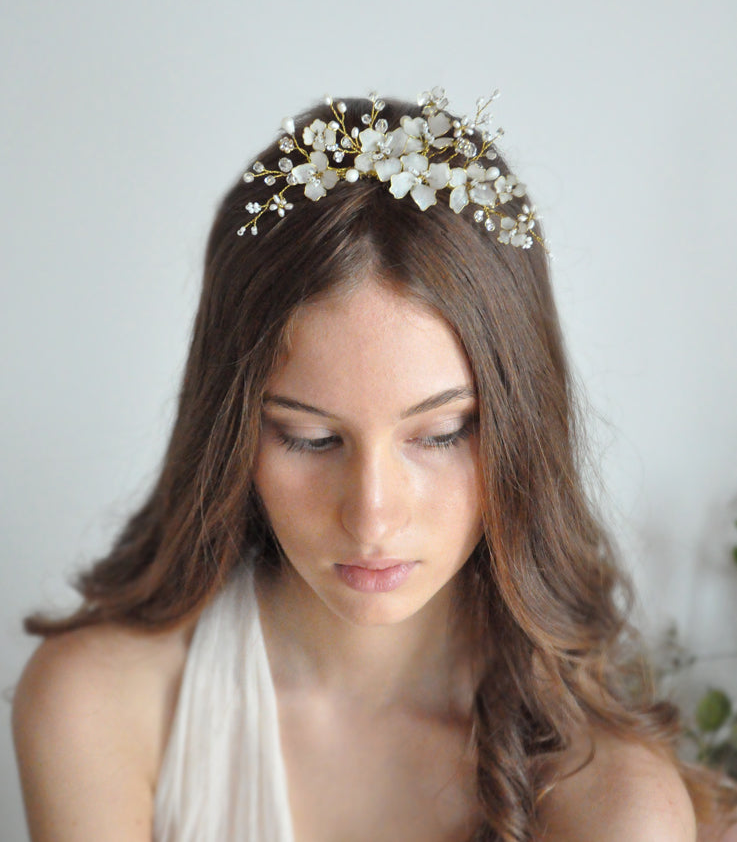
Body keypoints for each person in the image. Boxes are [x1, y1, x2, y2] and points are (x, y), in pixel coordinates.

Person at [12, 89, 737, 842]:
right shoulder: (96, 709)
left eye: (441, 433)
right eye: (309, 438)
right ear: (230, 435)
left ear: (521, 433)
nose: (371, 515)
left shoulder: (611, 806)